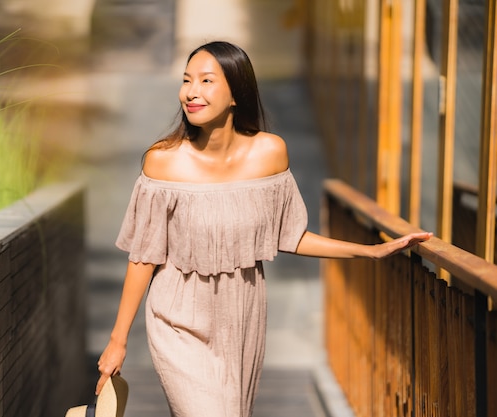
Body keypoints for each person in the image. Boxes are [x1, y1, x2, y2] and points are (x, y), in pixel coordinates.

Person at [95, 41, 431, 417]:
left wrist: (371, 251)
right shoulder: (163, 162)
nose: (191, 92)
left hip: (241, 316)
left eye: (207, 81)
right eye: (187, 80)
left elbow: (290, 235)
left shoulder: (269, 153)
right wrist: (117, 340)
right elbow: (145, 255)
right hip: (176, 319)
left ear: (237, 93)